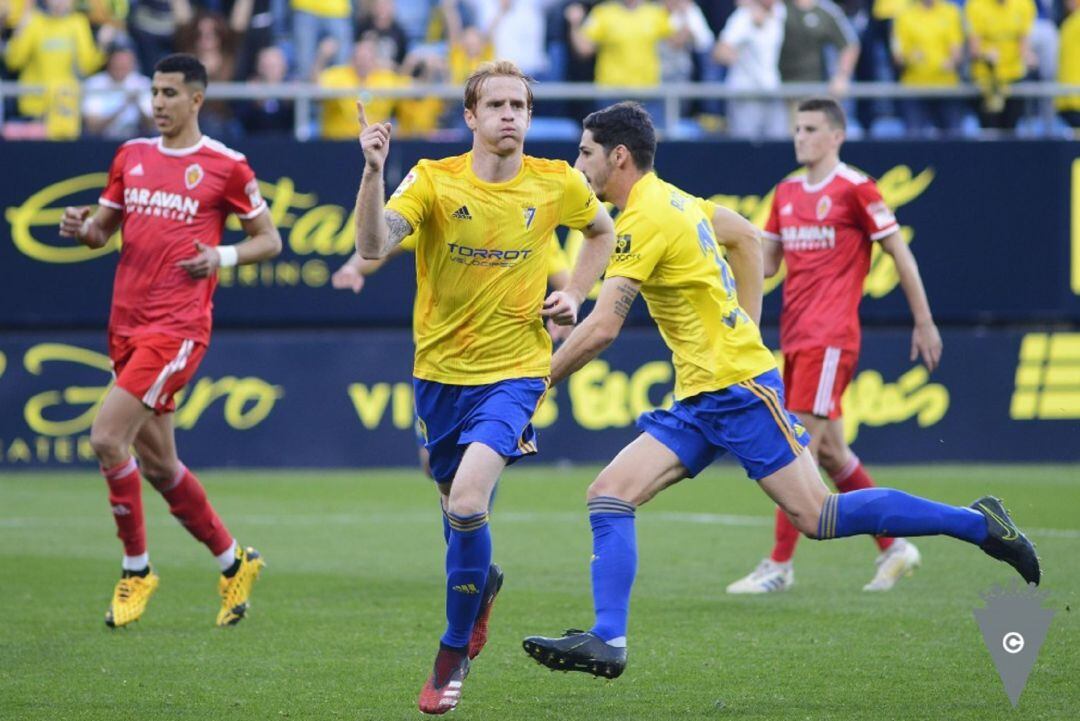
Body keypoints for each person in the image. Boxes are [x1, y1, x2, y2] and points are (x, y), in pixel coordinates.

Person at [520, 101, 1040, 680]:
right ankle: (608, 639)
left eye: (585, 153)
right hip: (701, 397)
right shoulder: (678, 200)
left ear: (618, 156)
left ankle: (978, 524)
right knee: (609, 494)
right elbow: (746, 236)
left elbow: (602, 328)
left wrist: (537, 383)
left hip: (738, 391)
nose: (578, 165)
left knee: (820, 515)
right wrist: (745, 322)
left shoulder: (644, 218)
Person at [352, 60, 616, 714]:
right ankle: (481, 581)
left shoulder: (555, 181)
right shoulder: (433, 180)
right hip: (440, 373)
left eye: (518, 106)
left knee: (469, 502)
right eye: (495, 105)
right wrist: (373, 171)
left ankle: (451, 652)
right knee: (451, 503)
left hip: (516, 370)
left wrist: (575, 294)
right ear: (470, 116)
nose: (508, 115)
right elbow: (373, 245)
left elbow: (602, 230)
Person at [58, 53, 280, 629]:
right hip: (125, 325)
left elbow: (269, 240)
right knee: (160, 466)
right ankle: (234, 562)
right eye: (155, 92)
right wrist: (81, 228)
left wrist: (221, 256)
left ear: (196, 99)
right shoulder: (130, 155)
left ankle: (136, 570)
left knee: (107, 438)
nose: (158, 102)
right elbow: (100, 233)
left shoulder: (226, 166)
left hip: (176, 329)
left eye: (170, 93)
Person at [727, 96, 942, 594]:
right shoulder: (786, 192)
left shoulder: (856, 188)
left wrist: (924, 320)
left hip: (830, 338)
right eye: (797, 128)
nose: (800, 137)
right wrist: (722, 256)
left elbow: (899, 253)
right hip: (796, 336)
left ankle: (779, 565)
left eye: (810, 129)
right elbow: (768, 265)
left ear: (836, 136)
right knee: (832, 454)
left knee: (794, 444)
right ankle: (894, 546)